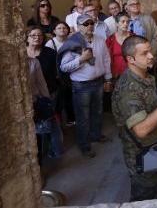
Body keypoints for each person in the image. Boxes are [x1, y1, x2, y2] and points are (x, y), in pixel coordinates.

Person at [112, 35, 157, 201]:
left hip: (155, 145)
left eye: (150, 51)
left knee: (155, 187)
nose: (151, 55)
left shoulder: (146, 77)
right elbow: (141, 130)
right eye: (144, 53)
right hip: (142, 153)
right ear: (131, 59)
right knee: (144, 197)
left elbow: (148, 106)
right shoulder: (128, 89)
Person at [59, 14, 112, 158]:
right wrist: (81, 59)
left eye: (91, 23)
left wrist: (108, 79)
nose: (89, 26)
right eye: (85, 23)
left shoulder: (100, 40)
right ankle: (84, 145)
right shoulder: (72, 43)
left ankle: (96, 135)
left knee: (98, 112)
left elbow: (106, 60)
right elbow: (63, 67)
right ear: (78, 26)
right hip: (81, 86)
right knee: (83, 117)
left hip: (98, 82)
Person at [26, 27, 63, 159]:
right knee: (36, 128)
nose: (37, 37)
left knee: (50, 123)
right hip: (30, 98)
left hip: (47, 93)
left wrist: (47, 98)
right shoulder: (21, 56)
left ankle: (55, 150)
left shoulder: (49, 53)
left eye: (40, 35)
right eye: (33, 35)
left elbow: (56, 73)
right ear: (27, 38)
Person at [105, 12, 133, 110]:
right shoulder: (111, 39)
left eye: (127, 22)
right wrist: (108, 78)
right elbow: (106, 59)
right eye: (123, 21)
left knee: (131, 98)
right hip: (116, 74)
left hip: (131, 74)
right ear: (117, 23)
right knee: (118, 99)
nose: (126, 24)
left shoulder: (133, 37)